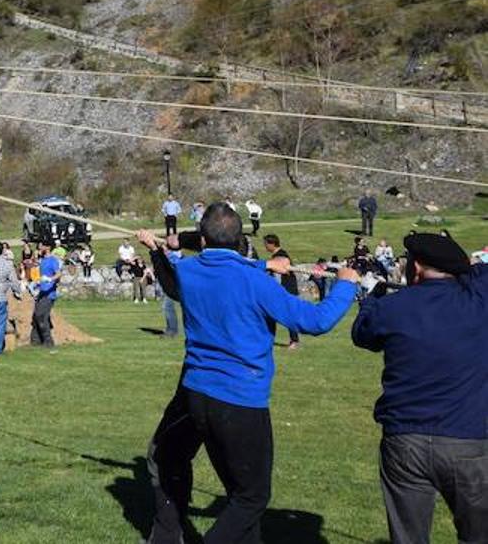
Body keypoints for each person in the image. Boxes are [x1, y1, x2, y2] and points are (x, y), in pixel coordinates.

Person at [139, 204, 360, 544]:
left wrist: (264, 265)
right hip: (240, 401)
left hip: (196, 395)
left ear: (202, 239)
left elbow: (219, 271)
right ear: (241, 239)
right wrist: (346, 285)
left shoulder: (190, 270)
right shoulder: (256, 282)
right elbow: (315, 321)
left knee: (237, 490)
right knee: (251, 498)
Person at [351, 232, 488, 544]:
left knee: (408, 538)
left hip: (405, 440)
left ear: (415, 268)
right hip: (466, 440)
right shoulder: (479, 301)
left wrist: (371, 297)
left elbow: (362, 334)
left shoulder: (393, 308)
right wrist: (465, 269)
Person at [263, 234, 301, 349]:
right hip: (281, 290)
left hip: (287, 289)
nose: (265, 246)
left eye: (266, 244)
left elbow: (285, 269)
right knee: (269, 313)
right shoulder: (277, 255)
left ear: (272, 244)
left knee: (289, 315)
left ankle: (294, 341)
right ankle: (267, 338)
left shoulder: (281, 255)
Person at [30, 242, 62, 349]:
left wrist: (50, 279)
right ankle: (35, 341)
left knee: (41, 316)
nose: (40, 247)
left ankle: (48, 342)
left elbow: (58, 274)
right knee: (36, 316)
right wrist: (38, 283)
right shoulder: (43, 260)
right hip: (41, 292)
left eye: (42, 245)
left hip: (49, 294)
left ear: (48, 247)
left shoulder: (53, 260)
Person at [161, 234, 183, 338]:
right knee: (167, 306)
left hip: (177, 283)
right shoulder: (168, 252)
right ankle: (171, 329)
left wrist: (167, 253)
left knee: (167, 306)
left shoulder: (176, 252)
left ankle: (172, 330)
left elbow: (176, 263)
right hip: (172, 283)